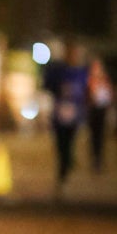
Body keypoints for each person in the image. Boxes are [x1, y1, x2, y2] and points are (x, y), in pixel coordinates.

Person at [43, 39, 89, 192]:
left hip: (74, 116)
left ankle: (67, 166)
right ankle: (62, 172)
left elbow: (86, 91)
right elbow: (47, 85)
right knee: (61, 146)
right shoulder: (58, 71)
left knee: (70, 144)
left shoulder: (81, 72)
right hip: (60, 116)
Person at [86, 57, 114, 172]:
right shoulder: (90, 80)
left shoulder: (105, 80)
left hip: (102, 110)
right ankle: (94, 158)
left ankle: (99, 159)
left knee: (101, 135)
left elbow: (109, 94)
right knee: (93, 136)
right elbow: (87, 95)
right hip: (93, 111)